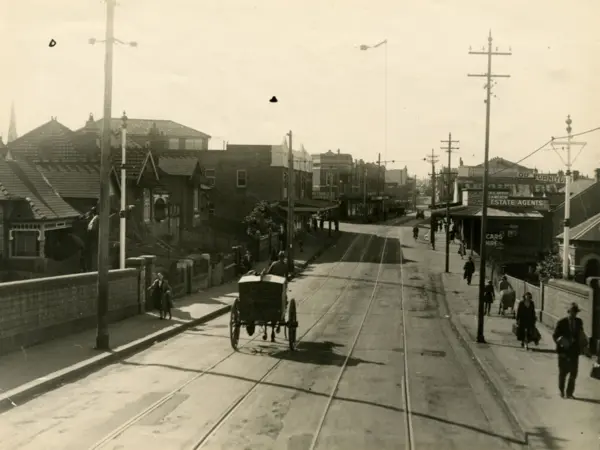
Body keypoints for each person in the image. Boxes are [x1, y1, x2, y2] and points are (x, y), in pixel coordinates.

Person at [553, 303, 587, 398]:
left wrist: (583, 345)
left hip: (574, 352)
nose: (574, 314)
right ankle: (561, 391)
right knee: (563, 373)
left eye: (575, 312)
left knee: (573, 373)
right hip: (563, 351)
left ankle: (569, 393)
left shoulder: (579, 322)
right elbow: (555, 336)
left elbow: (581, 334)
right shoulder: (561, 322)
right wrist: (561, 342)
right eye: (572, 312)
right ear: (568, 312)